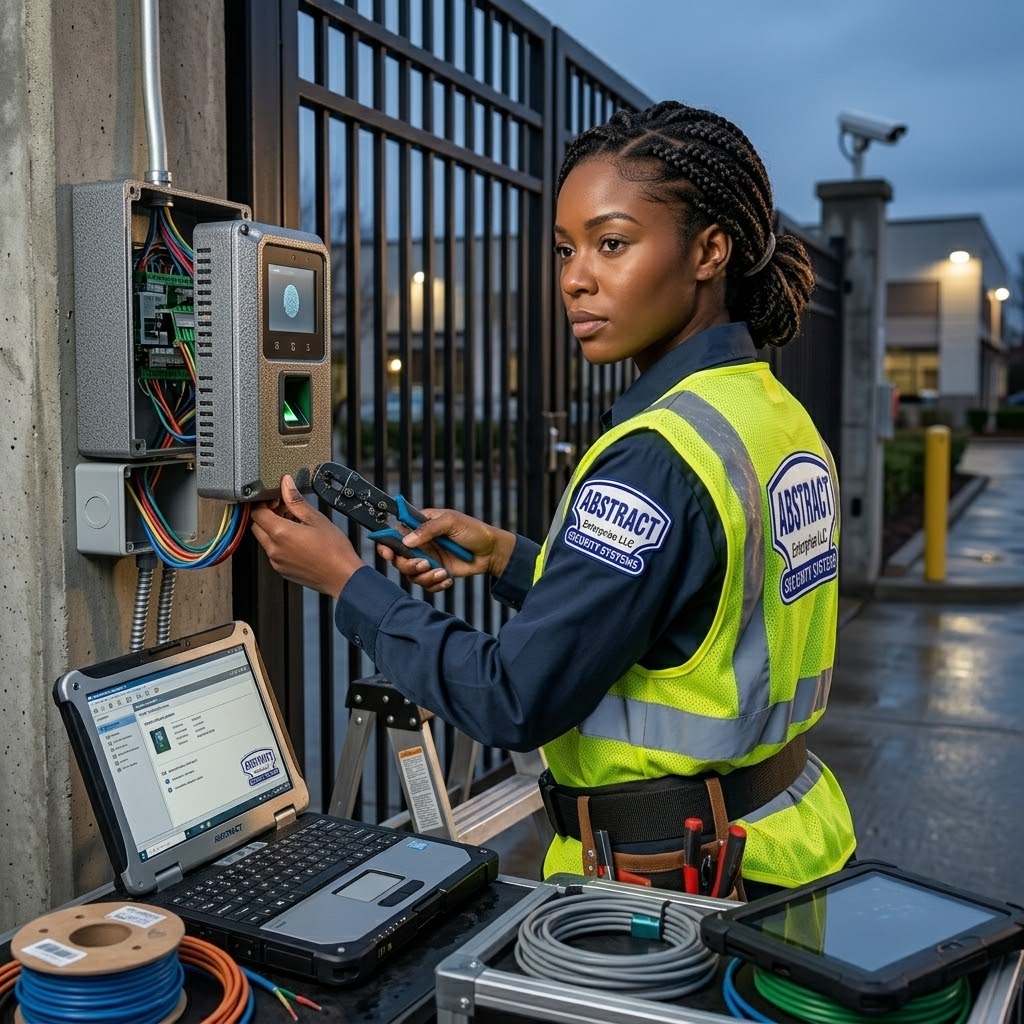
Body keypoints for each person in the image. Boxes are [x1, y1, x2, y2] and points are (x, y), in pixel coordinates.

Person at [250, 100, 856, 899]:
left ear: (710, 250)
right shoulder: (770, 416)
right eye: (567, 248)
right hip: (787, 839)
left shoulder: (659, 455)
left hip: (673, 890)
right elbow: (679, 619)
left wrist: (344, 581)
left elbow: (513, 698)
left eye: (612, 243)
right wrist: (506, 557)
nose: (575, 277)